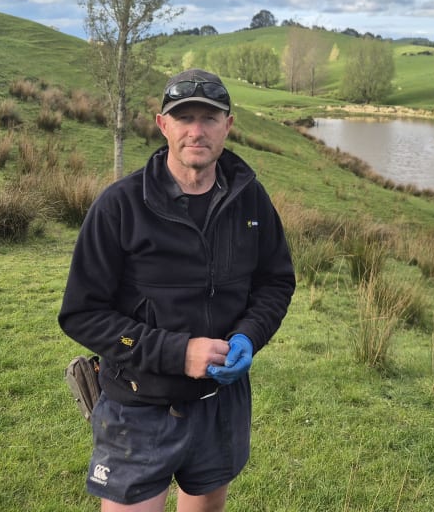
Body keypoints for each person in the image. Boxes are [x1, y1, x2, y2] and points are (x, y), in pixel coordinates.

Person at [59, 69, 295, 512]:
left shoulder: (251, 200)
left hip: (220, 405)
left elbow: (275, 281)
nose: (196, 131)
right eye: (184, 117)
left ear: (228, 125)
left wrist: (248, 336)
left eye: (210, 118)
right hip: (137, 404)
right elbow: (82, 314)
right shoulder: (120, 205)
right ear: (162, 124)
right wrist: (178, 353)